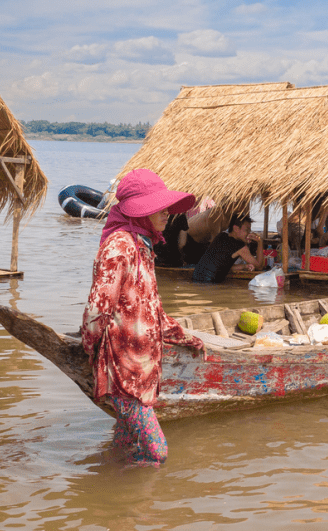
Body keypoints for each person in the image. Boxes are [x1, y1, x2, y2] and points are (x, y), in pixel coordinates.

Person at [81, 169, 204, 466]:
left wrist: (185, 337)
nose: (166, 214)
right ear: (140, 211)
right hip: (125, 372)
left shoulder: (143, 244)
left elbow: (152, 311)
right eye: (158, 207)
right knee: (155, 451)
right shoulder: (119, 247)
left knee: (124, 443)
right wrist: (91, 349)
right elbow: (97, 311)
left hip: (143, 370)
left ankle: (110, 493)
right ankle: (137, 508)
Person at [192, 214, 264, 283]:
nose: (249, 233)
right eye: (247, 230)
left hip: (196, 278)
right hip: (210, 283)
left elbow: (222, 266)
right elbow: (259, 266)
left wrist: (244, 266)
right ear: (236, 228)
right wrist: (260, 242)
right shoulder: (239, 246)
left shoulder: (221, 236)